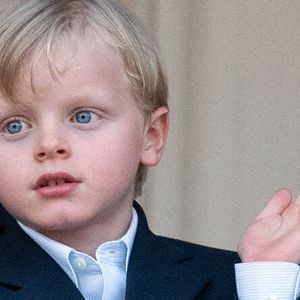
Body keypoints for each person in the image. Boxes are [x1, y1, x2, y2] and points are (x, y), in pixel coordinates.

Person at [0, 1, 297, 299]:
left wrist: (266, 283)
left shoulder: (242, 282)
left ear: (151, 137)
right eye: (14, 126)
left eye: (83, 116)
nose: (49, 145)